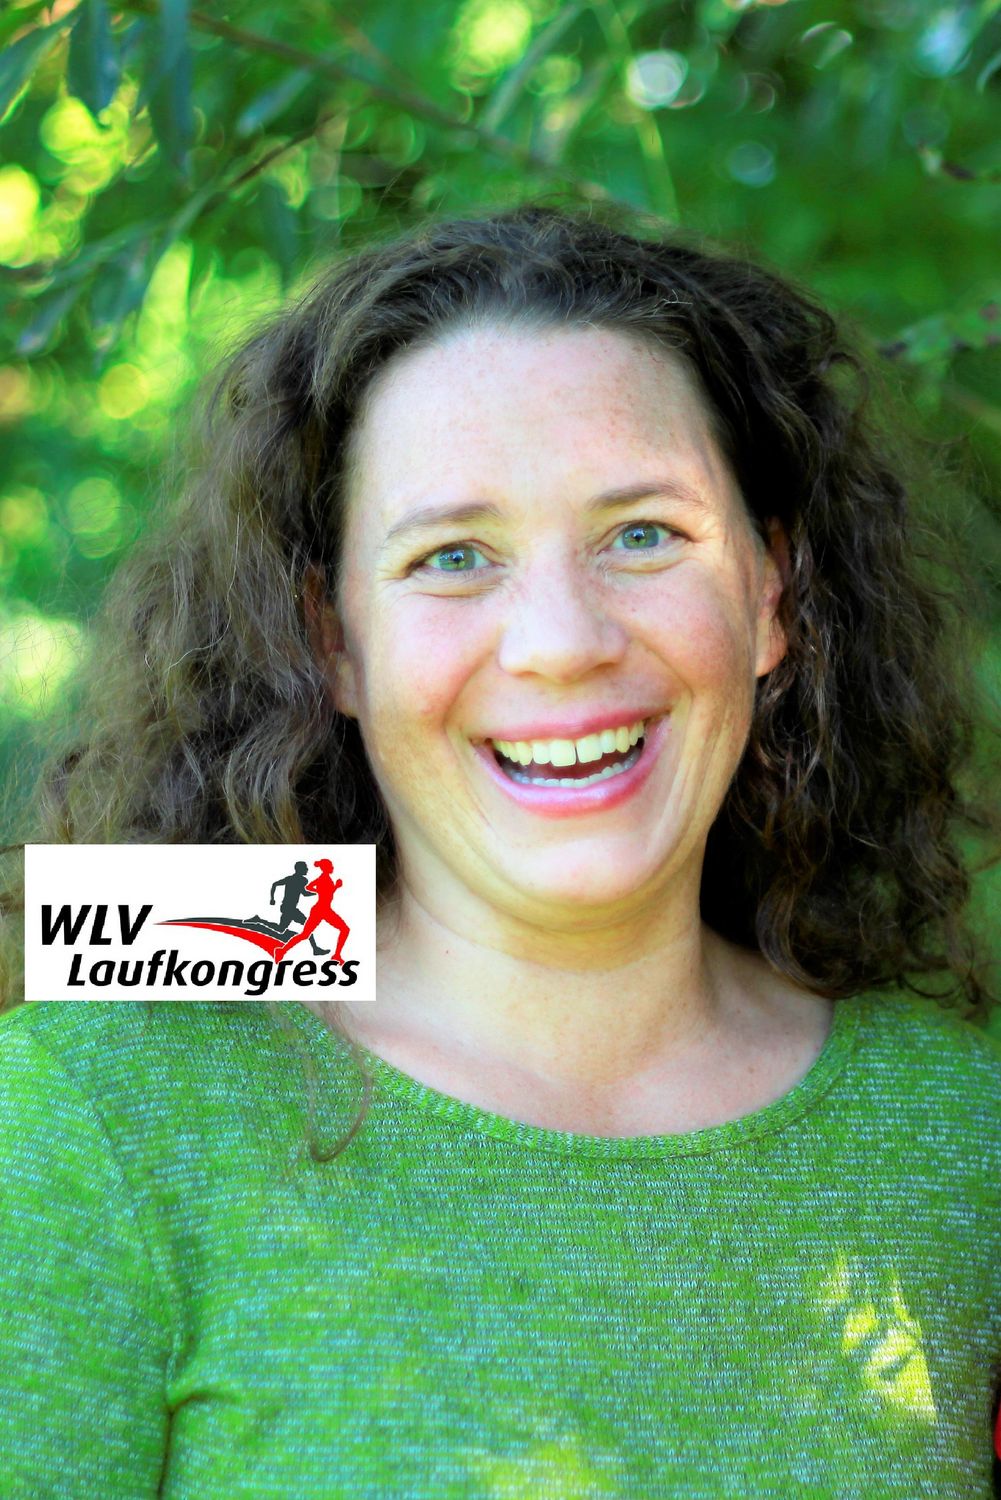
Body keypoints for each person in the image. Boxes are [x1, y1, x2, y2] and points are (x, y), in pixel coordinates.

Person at [0, 201, 999, 1496]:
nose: (561, 642)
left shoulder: (956, 1130)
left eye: (643, 534)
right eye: (453, 556)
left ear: (771, 595)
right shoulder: (96, 1111)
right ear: (332, 642)